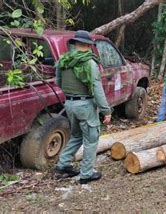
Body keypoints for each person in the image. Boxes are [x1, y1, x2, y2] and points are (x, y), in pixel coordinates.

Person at [55, 30, 112, 184]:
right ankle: (86, 174)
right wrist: (106, 110)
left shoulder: (63, 60)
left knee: (76, 136)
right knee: (91, 139)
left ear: (75, 44)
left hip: (69, 104)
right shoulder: (90, 63)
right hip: (85, 105)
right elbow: (97, 88)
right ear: (88, 45)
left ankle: (63, 165)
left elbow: (58, 82)